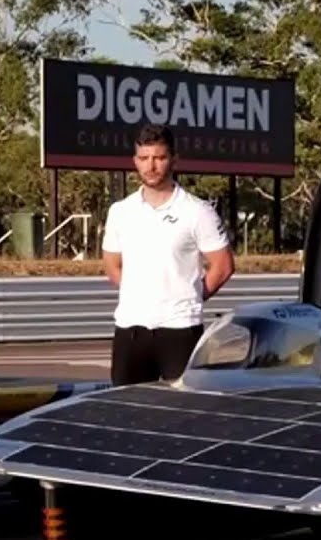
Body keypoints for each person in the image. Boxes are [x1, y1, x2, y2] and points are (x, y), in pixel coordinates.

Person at [100, 123, 235, 386]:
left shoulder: (197, 211)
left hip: (180, 329)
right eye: (144, 158)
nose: (151, 166)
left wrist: (189, 296)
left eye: (159, 158)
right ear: (135, 161)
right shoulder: (120, 211)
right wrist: (139, 292)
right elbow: (113, 265)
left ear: (174, 159)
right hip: (131, 330)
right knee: (125, 413)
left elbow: (223, 266)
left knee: (184, 415)